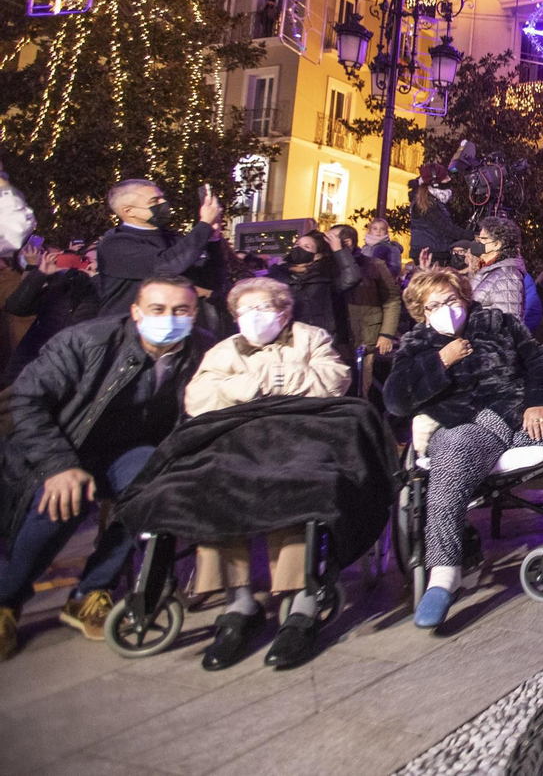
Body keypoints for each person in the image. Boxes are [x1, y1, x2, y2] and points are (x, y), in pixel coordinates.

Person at [0, 276, 213, 659]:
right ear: (136, 312)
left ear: (194, 312)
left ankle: (89, 594)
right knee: (61, 504)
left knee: (153, 492)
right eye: (158, 309)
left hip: (132, 450)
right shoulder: (86, 341)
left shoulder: (202, 349)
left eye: (181, 310)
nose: (170, 318)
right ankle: (6, 601)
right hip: (66, 446)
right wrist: (57, 465)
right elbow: (29, 401)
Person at [184, 277, 351, 670]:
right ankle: (239, 603)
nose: (253, 318)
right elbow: (197, 398)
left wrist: (277, 378)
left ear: (284, 312)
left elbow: (334, 380)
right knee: (215, 482)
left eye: (263, 308)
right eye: (245, 311)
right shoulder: (224, 350)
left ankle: (301, 601)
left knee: (296, 482)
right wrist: (256, 383)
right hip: (242, 439)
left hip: (302, 435)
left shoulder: (311, 338)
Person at [384, 268, 543, 629]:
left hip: (516, 418)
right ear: (421, 310)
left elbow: (541, 362)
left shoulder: (497, 323)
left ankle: (449, 566)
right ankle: (442, 577)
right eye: (434, 305)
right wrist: (441, 362)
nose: (446, 309)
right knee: (455, 446)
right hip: (460, 427)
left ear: (464, 297)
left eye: (451, 300)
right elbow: (396, 401)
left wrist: (538, 401)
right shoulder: (417, 343)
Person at [95, 179, 224, 316]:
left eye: (162, 198)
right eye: (154, 201)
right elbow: (165, 267)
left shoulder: (174, 238)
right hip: (129, 327)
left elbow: (210, 280)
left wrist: (212, 239)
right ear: (129, 211)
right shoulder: (115, 244)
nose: (163, 203)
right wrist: (204, 224)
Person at [3, 245, 100, 385]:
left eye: (95, 261)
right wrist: (41, 273)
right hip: (26, 368)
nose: (88, 265)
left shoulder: (106, 292)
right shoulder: (60, 285)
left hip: (68, 377)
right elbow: (15, 307)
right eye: (85, 259)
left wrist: (97, 280)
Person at [267, 233, 361, 354]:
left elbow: (352, 277)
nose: (298, 248)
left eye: (306, 246)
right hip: (287, 340)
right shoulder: (276, 276)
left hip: (320, 339)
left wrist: (339, 250)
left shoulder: (327, 277)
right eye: (297, 244)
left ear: (317, 256)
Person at [328, 224, 400, 358]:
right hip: (335, 340)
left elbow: (392, 300)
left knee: (364, 377)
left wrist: (386, 333)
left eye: (331, 239)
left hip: (366, 337)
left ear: (347, 242)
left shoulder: (374, 265)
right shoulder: (327, 266)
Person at [468, 216, 530, 323]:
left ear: (497, 245)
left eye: (482, 239)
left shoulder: (508, 276)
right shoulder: (488, 269)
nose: (477, 242)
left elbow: (510, 324)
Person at [407, 165, 465, 264]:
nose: (449, 179)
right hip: (429, 255)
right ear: (435, 183)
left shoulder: (435, 200)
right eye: (445, 178)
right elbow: (445, 227)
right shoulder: (425, 204)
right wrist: (473, 237)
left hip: (436, 252)